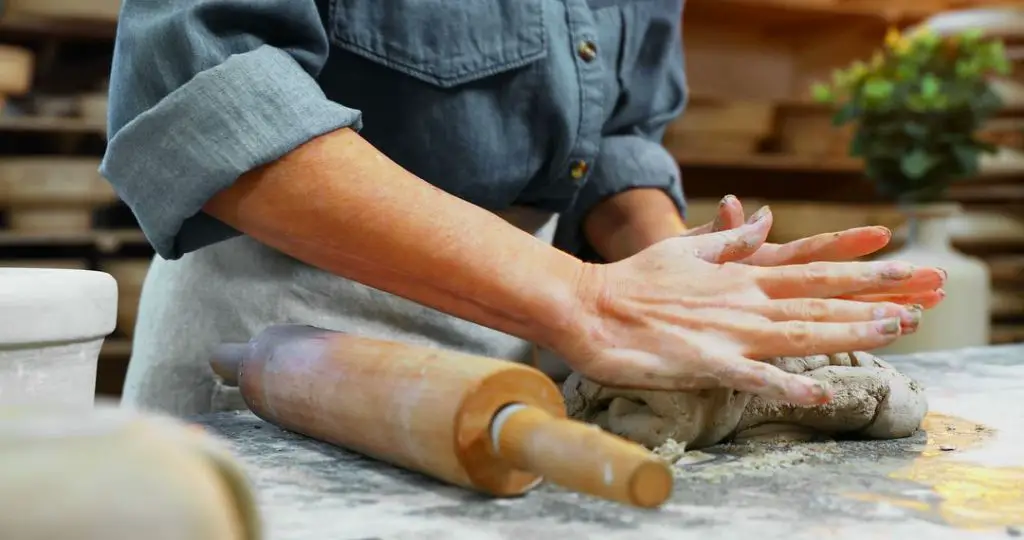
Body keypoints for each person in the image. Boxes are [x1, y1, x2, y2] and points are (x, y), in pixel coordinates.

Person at [102, 0, 944, 417]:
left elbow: (617, 135)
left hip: (535, 330)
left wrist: (691, 279)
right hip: (281, 331)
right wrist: (589, 299)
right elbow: (201, 91)